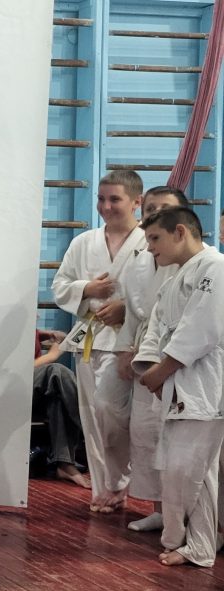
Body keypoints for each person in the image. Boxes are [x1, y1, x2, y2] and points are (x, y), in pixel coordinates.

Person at [133, 206, 224, 567]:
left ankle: (193, 544)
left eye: (155, 238)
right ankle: (196, 544)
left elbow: (203, 328)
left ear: (180, 232)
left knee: (188, 469)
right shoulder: (174, 279)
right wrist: (151, 368)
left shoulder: (215, 268)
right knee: (190, 469)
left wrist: (162, 370)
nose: (150, 247)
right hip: (175, 381)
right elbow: (155, 328)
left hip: (203, 383)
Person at [51, 170, 146, 513]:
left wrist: (126, 308)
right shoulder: (84, 242)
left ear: (137, 202)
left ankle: (122, 480)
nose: (106, 206)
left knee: (114, 413)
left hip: (131, 340)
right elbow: (60, 286)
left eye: (114, 199)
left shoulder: (148, 241)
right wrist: (86, 289)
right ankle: (105, 486)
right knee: (92, 415)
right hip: (90, 337)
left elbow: (160, 291)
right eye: (101, 199)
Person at [116, 186, 190, 531]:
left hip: (180, 360)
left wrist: (166, 361)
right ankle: (160, 509)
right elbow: (135, 314)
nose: (155, 213)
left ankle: (189, 516)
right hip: (145, 354)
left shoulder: (199, 264)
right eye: (150, 208)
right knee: (146, 434)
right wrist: (125, 349)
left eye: (164, 208)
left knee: (180, 442)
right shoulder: (142, 258)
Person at [33, 330, 90, 488]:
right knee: (57, 371)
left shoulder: (27, 326)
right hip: (11, 391)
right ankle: (90, 430)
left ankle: (65, 464)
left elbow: (35, 335)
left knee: (59, 396)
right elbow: (15, 370)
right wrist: (51, 356)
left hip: (36, 393)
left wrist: (45, 335)